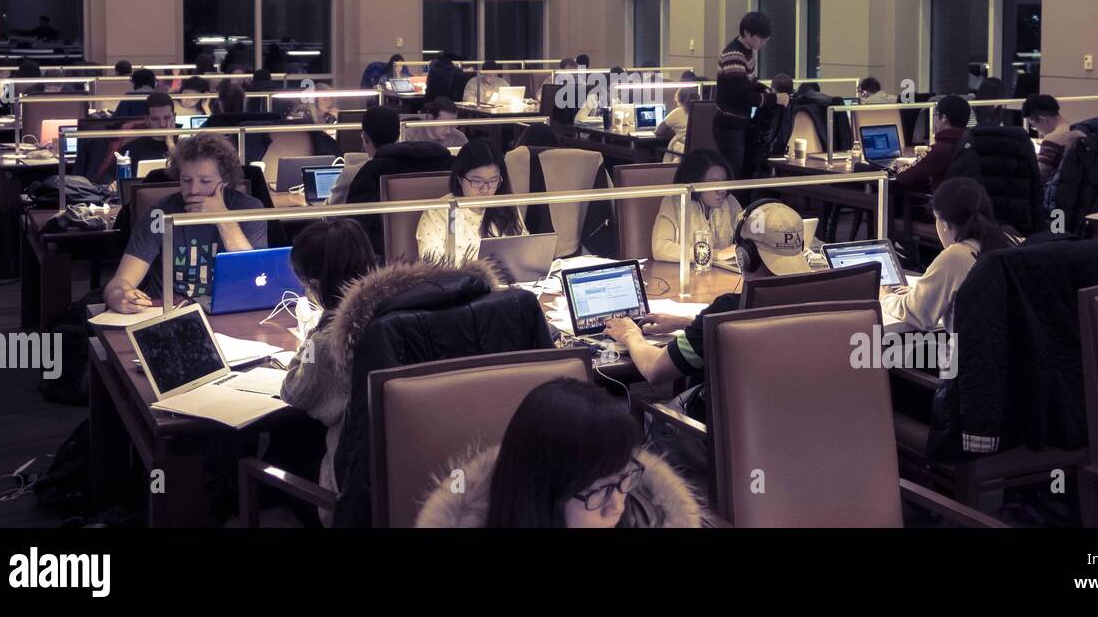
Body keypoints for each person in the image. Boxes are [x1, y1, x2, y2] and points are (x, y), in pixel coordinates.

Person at [605, 200, 810, 422]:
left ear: (743, 256)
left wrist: (630, 334)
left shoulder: (728, 310)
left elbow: (654, 369)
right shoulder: (815, 301)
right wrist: (689, 323)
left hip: (713, 438)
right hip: (793, 427)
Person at [416, 378, 701, 528]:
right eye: (599, 491)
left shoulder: (644, 515)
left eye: (624, 478)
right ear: (541, 494)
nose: (617, 505)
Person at [278, 218, 379, 525]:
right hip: (409, 471)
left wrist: (315, 331)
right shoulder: (402, 306)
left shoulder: (328, 341)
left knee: (278, 446)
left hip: (350, 488)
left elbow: (294, 392)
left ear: (316, 287)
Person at [103, 132, 266, 312]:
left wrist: (222, 217)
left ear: (225, 181)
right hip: (167, 312)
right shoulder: (159, 214)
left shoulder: (248, 209)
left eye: (205, 181)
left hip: (229, 311)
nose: (193, 190)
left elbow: (254, 276)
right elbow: (121, 281)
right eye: (186, 180)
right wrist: (119, 295)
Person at [881, 177, 1018, 332]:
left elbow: (917, 313)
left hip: (966, 354)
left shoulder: (955, 257)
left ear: (945, 224)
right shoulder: (1013, 241)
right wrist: (922, 292)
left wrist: (886, 297)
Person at [416, 138, 525, 263]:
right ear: (460, 178)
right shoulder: (437, 212)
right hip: (460, 281)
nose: (485, 189)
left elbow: (525, 253)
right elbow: (432, 266)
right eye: (477, 181)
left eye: (493, 181)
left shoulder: (506, 207)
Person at [715, 11, 789, 178]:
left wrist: (769, 91)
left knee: (743, 173)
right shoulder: (733, 55)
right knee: (734, 176)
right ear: (747, 33)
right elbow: (743, 97)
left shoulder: (746, 54)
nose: (763, 43)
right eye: (760, 38)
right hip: (729, 125)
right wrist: (774, 98)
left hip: (739, 124)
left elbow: (752, 83)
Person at [651, 150, 742, 263]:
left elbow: (747, 234)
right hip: (682, 274)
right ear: (694, 180)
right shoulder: (673, 202)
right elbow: (660, 248)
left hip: (720, 274)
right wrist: (716, 255)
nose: (722, 190)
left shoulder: (729, 202)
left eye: (724, 182)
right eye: (714, 183)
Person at [894, 94, 971, 194]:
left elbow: (905, 177)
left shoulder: (939, 149)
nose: (934, 120)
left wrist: (900, 167)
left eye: (935, 115)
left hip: (944, 204)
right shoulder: (970, 142)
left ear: (944, 118)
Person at [1022, 94, 1073, 184]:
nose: (1039, 132)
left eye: (1034, 126)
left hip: (1059, 193)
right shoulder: (1076, 128)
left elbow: (1038, 177)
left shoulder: (1052, 139)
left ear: (1042, 119)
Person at [120, 92, 178, 167]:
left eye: (167, 118)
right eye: (155, 119)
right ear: (147, 119)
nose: (162, 124)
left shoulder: (187, 146)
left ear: (174, 117)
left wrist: (171, 146)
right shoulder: (132, 149)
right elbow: (111, 176)